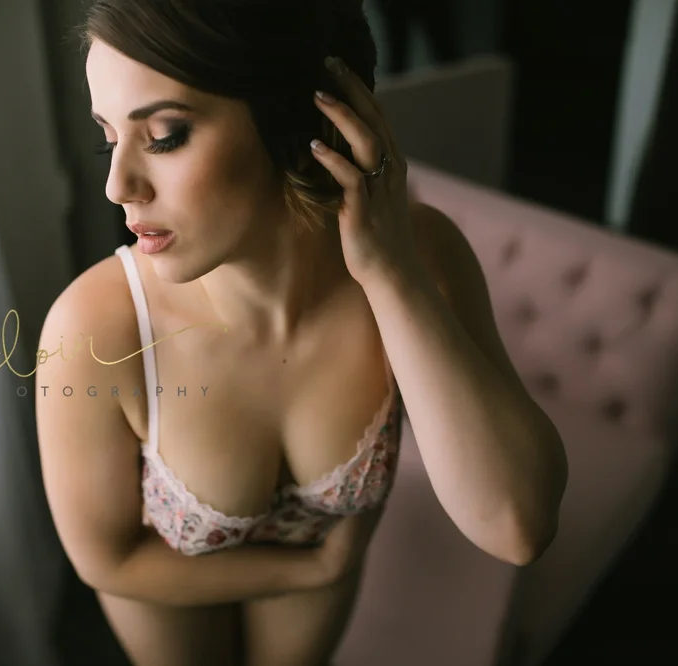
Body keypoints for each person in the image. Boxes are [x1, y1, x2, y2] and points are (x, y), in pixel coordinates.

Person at [35, 2, 568, 664]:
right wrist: (314, 568)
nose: (117, 187)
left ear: (298, 119)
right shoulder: (94, 328)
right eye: (108, 138)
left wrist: (390, 274)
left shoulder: (420, 256)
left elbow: (518, 526)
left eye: (165, 136)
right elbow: (107, 559)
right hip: (169, 581)